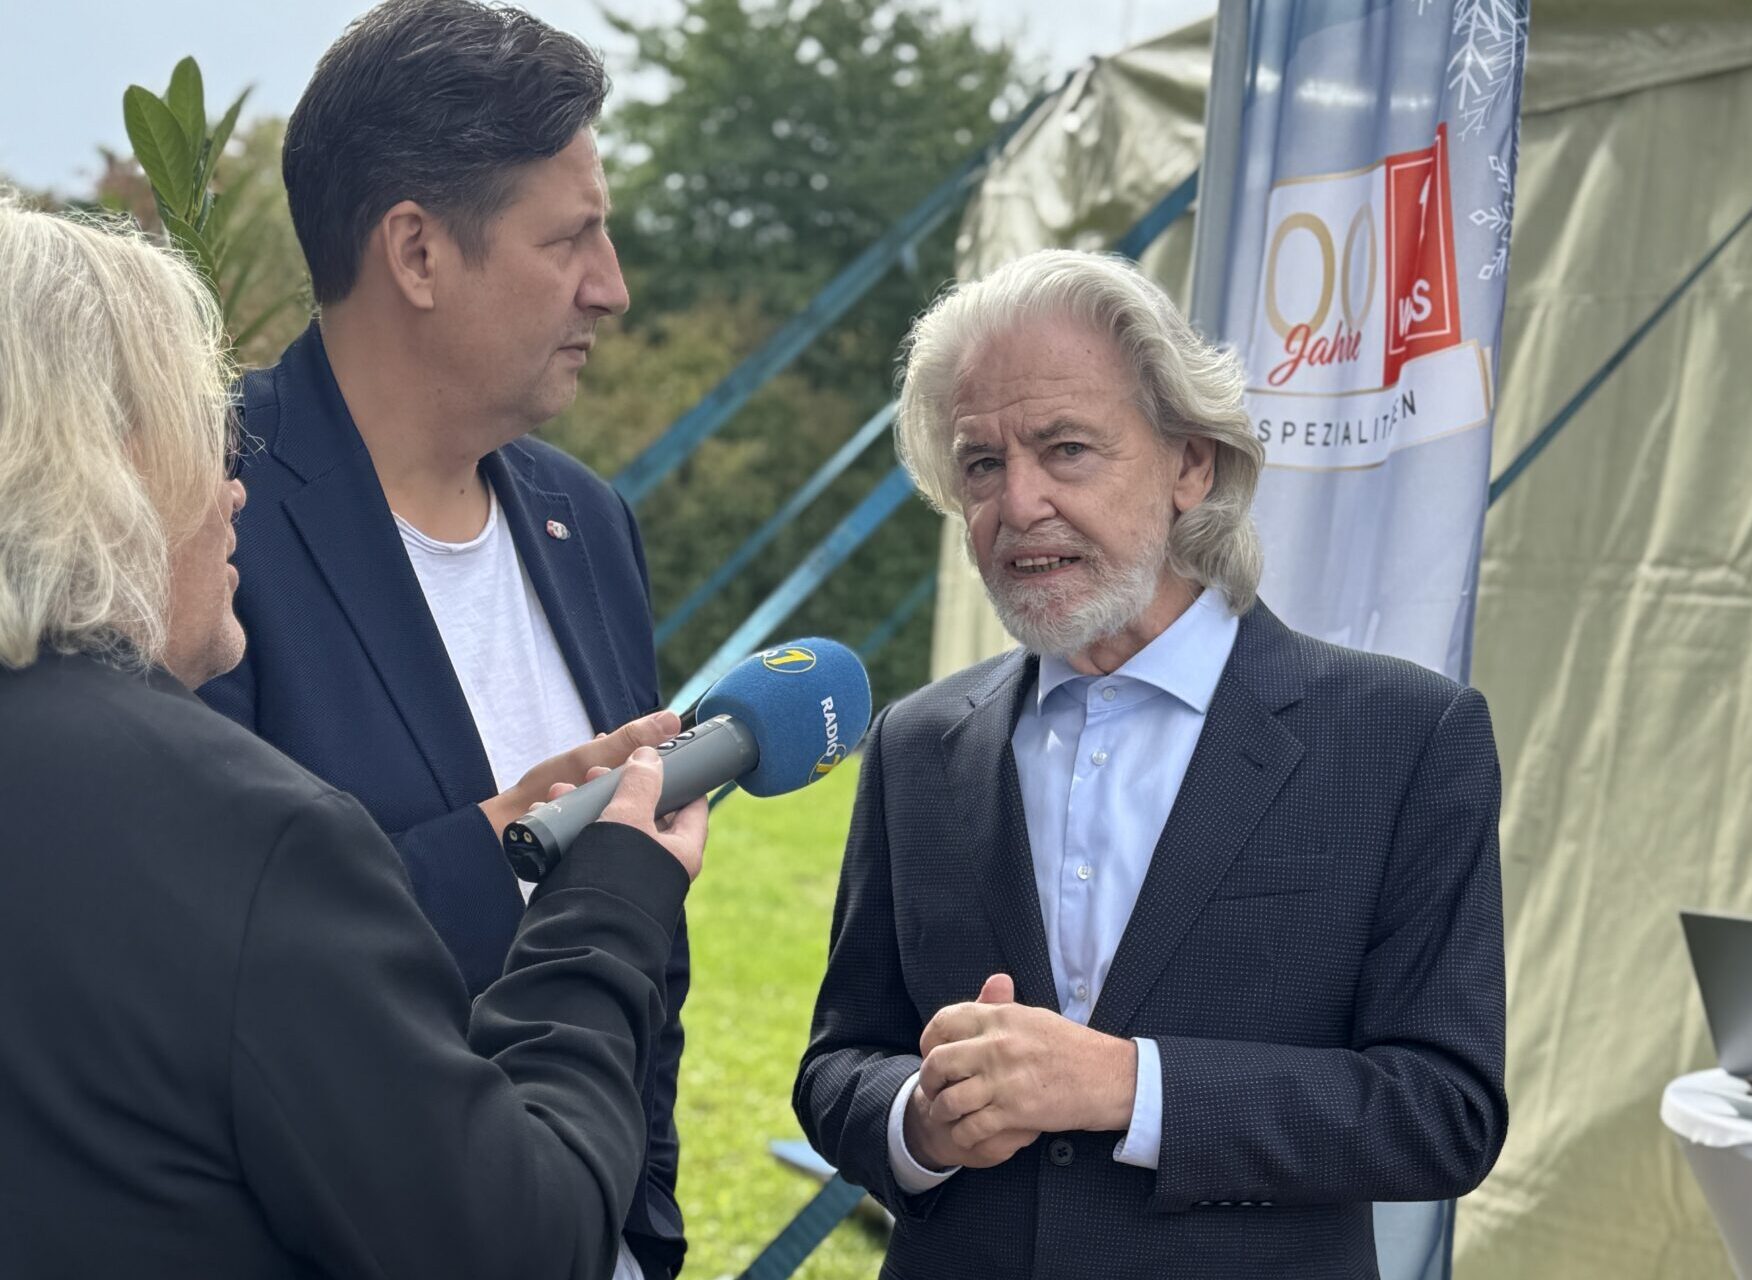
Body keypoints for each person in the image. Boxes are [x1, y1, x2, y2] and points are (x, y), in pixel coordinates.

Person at [0, 198, 707, 1278]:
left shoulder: (584, 512)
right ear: (105, 463)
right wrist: (608, 904)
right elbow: (517, 1241)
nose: (235, 487)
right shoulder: (250, 832)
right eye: (206, 434)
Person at [793, 250, 1507, 1278]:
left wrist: (1130, 1086)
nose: (1019, 502)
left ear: (1191, 464)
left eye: (1066, 448)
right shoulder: (918, 743)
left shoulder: (1404, 737)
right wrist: (920, 1118)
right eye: (982, 464)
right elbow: (840, 1062)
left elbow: (1443, 1112)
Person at [195, 4, 686, 1273]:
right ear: (416, 250)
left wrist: (642, 1225)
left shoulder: (587, 520)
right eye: (569, 237)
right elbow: (194, 964)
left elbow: (648, 944)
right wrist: (504, 849)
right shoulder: (199, 515)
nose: (612, 286)